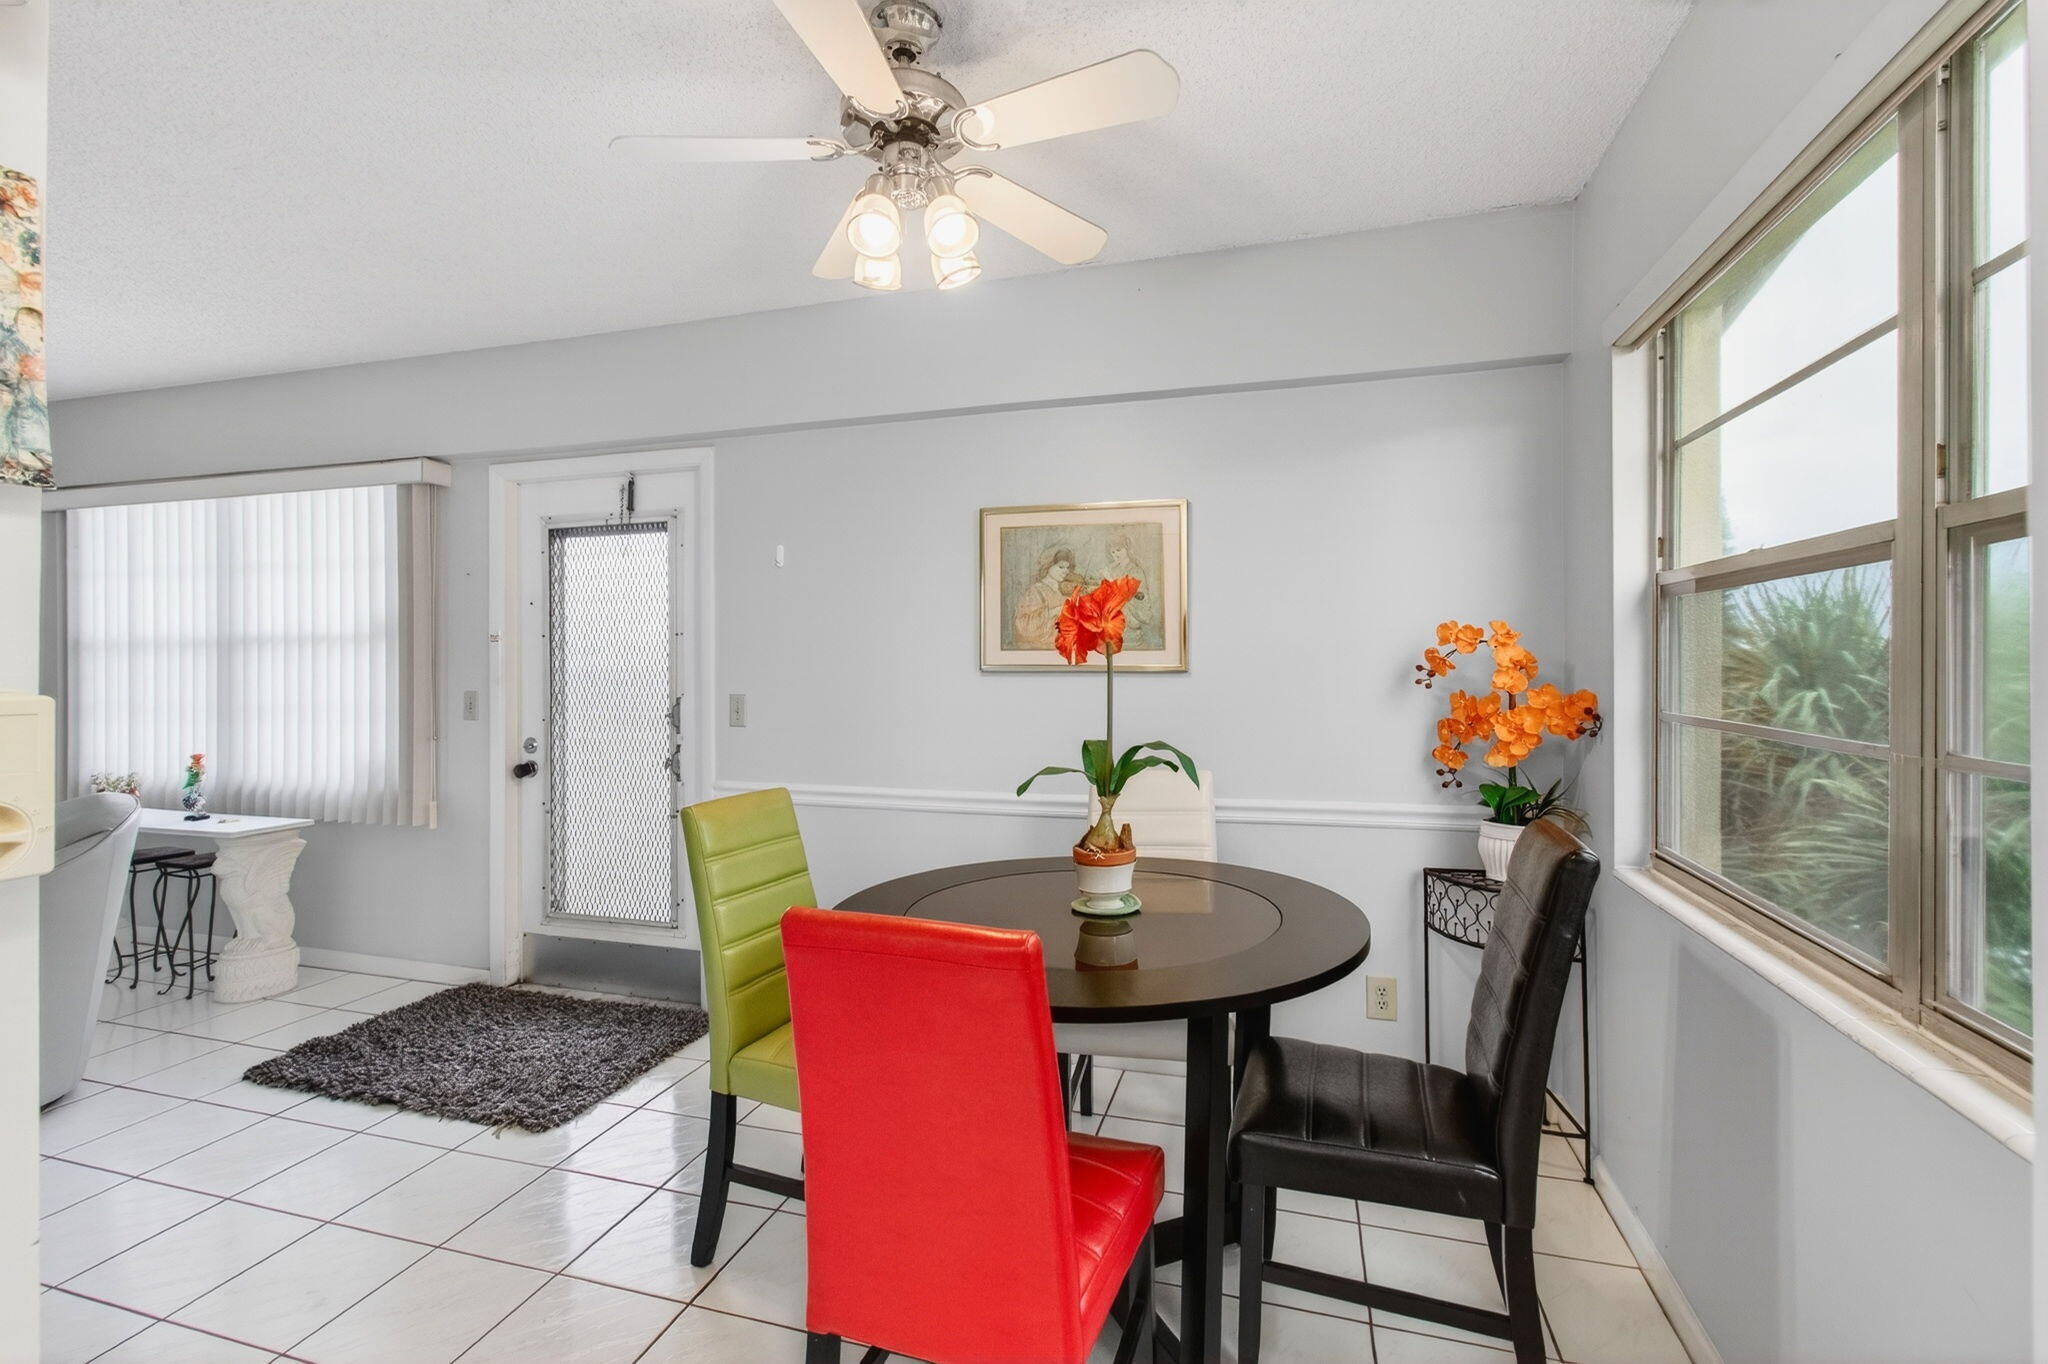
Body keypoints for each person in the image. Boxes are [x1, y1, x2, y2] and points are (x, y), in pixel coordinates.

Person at [1012, 544, 1079, 649]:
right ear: (1048, 566)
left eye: (1067, 567)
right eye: (1061, 567)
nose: (1066, 571)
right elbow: (1023, 627)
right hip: (1041, 649)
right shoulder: (1035, 591)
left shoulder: (1062, 591)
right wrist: (1055, 611)